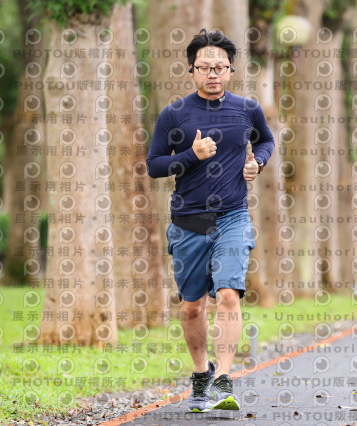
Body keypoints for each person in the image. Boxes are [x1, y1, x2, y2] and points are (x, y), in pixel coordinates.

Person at [146, 29, 274, 412]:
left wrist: (257, 163)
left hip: (233, 216)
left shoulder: (248, 109)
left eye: (220, 67)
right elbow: (154, 165)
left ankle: (224, 379)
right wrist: (191, 155)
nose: (213, 73)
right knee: (192, 307)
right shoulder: (174, 114)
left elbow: (266, 141)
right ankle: (202, 374)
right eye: (205, 67)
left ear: (231, 70)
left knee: (228, 294)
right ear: (191, 70)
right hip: (189, 221)